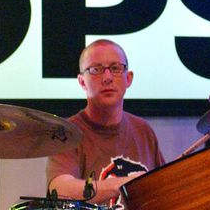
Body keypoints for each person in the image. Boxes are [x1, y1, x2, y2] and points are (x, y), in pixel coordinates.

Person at [46, 39, 165, 209]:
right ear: (82, 82)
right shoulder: (67, 133)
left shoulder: (143, 130)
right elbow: (59, 190)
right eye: (96, 70)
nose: (107, 78)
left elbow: (163, 191)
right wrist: (125, 185)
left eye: (115, 68)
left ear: (128, 78)